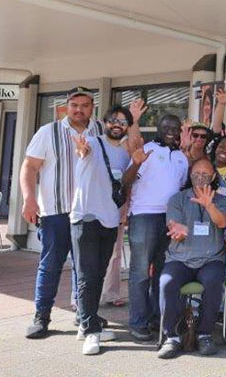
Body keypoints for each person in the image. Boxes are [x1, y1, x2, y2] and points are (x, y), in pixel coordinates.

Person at [22, 87, 105, 339]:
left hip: (89, 212)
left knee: (86, 267)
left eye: (85, 105)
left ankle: (84, 313)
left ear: (93, 107)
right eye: (74, 105)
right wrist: (28, 200)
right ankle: (41, 316)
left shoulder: (100, 130)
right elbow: (30, 166)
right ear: (65, 107)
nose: (79, 110)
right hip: (56, 211)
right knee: (50, 265)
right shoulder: (48, 132)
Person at [68, 105, 138, 354]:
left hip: (110, 221)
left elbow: (126, 181)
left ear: (127, 127)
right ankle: (90, 331)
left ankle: (88, 321)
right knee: (87, 275)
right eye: (113, 120)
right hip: (86, 217)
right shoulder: (92, 142)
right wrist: (81, 148)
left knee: (97, 274)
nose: (117, 124)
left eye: (123, 121)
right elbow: (82, 151)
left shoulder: (123, 153)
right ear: (104, 122)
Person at [122, 114, 189, 342]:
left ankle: (155, 318)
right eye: (166, 126)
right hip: (144, 215)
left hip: (169, 219)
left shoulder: (182, 158)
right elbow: (126, 181)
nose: (171, 130)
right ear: (159, 129)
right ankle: (138, 322)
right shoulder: (147, 150)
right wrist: (137, 162)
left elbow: (179, 189)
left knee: (162, 272)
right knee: (140, 271)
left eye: (175, 127)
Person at [157, 159, 226, 359]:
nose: (199, 178)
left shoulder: (222, 199)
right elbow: (173, 226)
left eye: (205, 175)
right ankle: (171, 337)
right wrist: (178, 231)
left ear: (214, 177)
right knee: (167, 283)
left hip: (210, 259)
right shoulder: (177, 199)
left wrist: (209, 205)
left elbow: (222, 222)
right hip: (180, 259)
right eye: (196, 174)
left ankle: (204, 333)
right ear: (190, 176)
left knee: (213, 281)